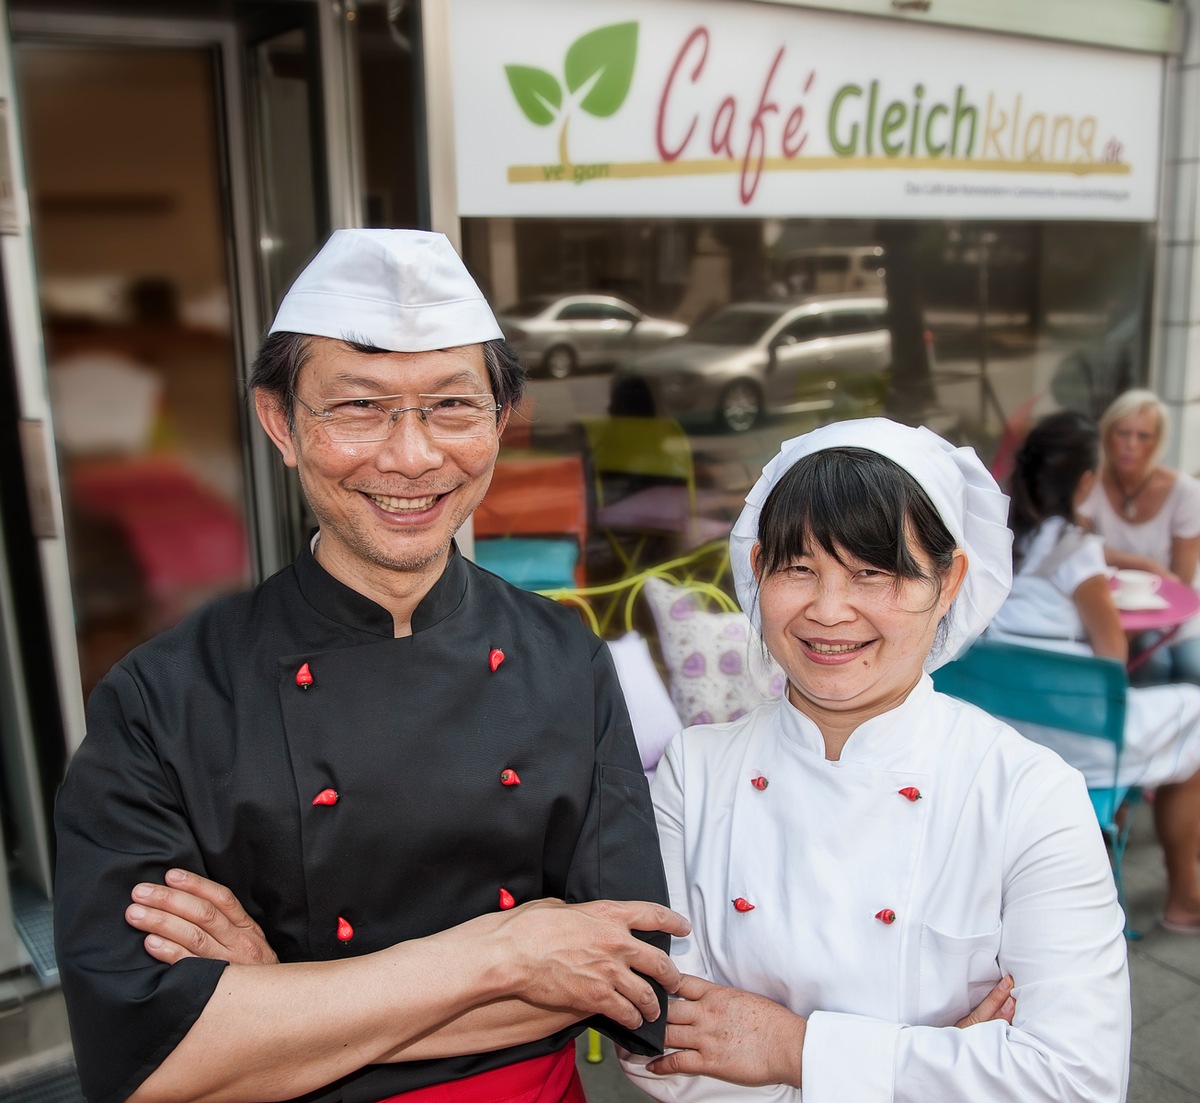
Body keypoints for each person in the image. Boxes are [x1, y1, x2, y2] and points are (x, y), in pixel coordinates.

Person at [53, 229, 688, 1103]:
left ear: (500, 420)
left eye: (452, 407)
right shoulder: (162, 699)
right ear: (280, 422)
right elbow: (146, 1061)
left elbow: (632, 986)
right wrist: (506, 952)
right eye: (357, 407)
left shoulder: (564, 657)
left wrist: (277, 1002)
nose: (412, 456)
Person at [618, 417, 1132, 1101]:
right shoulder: (693, 771)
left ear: (948, 583)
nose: (829, 611)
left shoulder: (1029, 793)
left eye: (874, 572)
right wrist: (945, 1058)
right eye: (798, 568)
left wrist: (789, 1048)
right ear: (757, 568)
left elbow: (1076, 1078)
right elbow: (655, 1042)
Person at [988, 409, 1200, 934]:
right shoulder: (1078, 555)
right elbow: (1111, 659)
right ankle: (1185, 899)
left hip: (1005, 730)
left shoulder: (998, 542)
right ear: (1085, 481)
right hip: (1074, 739)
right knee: (1195, 711)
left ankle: (1114, 826)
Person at [1078, 388, 1200, 684]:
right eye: (1123, 433)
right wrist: (1146, 564)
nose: (1130, 445)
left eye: (1143, 436)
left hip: (1172, 611)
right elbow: (1075, 547)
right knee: (1154, 664)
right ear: (1108, 435)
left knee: (1192, 668)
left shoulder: (1184, 492)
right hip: (1111, 611)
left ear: (1157, 442)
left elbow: (1180, 580)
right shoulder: (1090, 482)